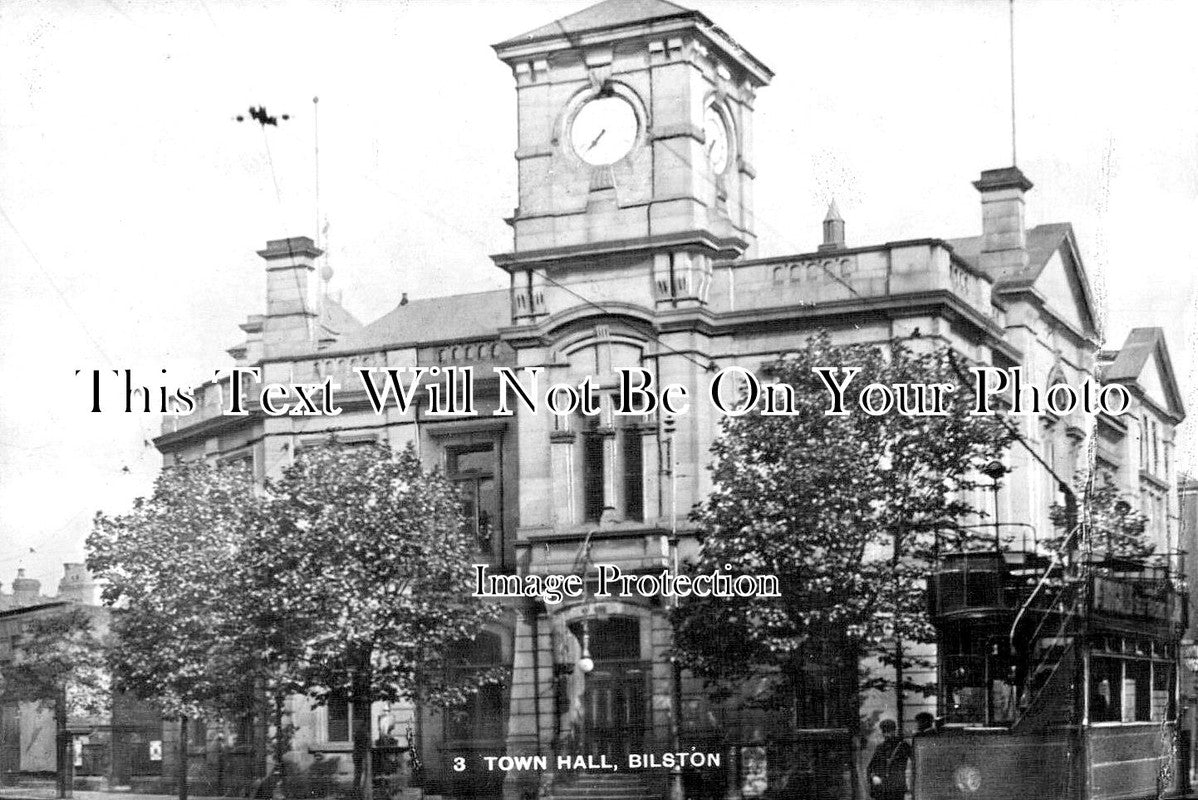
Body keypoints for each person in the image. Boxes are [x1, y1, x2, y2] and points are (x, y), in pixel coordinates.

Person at [867, 719, 911, 800]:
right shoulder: (880, 747)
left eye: (888, 731)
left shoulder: (903, 746)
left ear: (894, 731)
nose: (886, 734)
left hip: (896, 788)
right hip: (882, 788)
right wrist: (873, 777)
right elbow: (871, 766)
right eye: (884, 732)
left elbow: (915, 762)